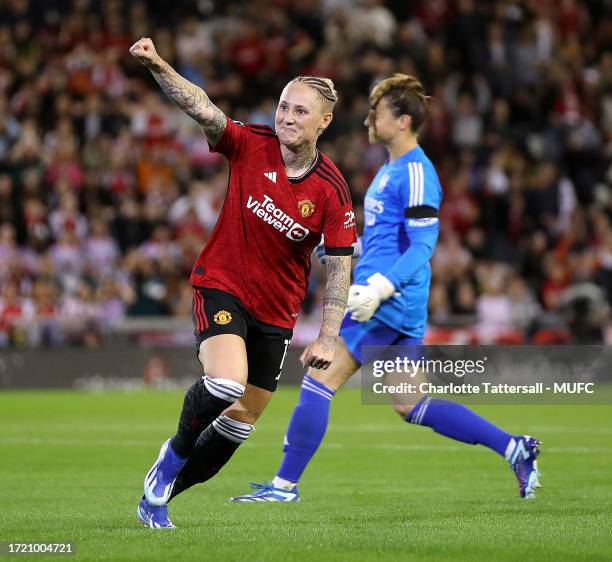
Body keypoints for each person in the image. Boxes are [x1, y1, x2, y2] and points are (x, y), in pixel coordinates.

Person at [231, 74, 541, 503]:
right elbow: (387, 237)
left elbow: (423, 245)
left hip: (385, 300)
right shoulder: (392, 169)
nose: (368, 120)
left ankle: (284, 486)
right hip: (389, 298)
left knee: (319, 379)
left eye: (377, 114)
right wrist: (344, 247)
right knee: (411, 403)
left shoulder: (416, 172)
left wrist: (379, 287)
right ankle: (514, 447)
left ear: (403, 121)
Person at [128, 37, 357, 529]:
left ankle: (159, 495)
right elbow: (202, 108)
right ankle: (171, 457)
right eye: (282, 106)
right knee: (225, 381)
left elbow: (339, 266)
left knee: (239, 423)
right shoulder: (251, 145)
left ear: (324, 122)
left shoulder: (331, 190)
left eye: (300, 111)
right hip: (221, 284)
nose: (287, 117)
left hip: (276, 313)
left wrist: (328, 336)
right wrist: (156, 64)